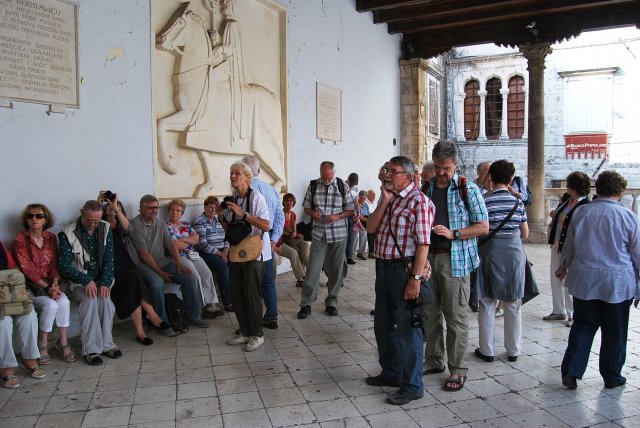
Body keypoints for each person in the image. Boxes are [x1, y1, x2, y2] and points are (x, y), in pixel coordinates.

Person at [557, 171, 639, 390]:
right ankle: (612, 375)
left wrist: (563, 266)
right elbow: (637, 253)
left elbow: (569, 245)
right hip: (617, 283)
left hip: (585, 280)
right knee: (615, 331)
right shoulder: (628, 216)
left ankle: (571, 370)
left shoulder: (581, 212)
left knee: (583, 325)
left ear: (598, 188)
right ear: (621, 191)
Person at [365, 156, 433, 405]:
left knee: (408, 328)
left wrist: (415, 280)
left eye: (393, 171)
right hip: (383, 270)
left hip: (404, 272)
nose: (387, 174)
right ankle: (391, 372)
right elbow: (370, 228)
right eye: (386, 170)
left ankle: (413, 385)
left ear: (408, 176)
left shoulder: (418, 202)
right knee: (382, 325)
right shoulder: (390, 199)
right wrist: (384, 200)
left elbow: (423, 244)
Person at [422, 140, 489, 392]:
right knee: (429, 313)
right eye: (438, 167)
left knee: (455, 317)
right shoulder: (426, 188)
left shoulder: (467, 189)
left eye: (446, 168)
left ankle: (458, 369)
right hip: (428, 259)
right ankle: (434, 359)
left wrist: (454, 234)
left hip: (455, 261)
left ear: (455, 165)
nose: (441, 173)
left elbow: (483, 226)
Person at [100, 192, 176, 344]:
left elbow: (130, 229)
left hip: (128, 265)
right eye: (109, 208)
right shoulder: (100, 227)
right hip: (111, 267)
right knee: (135, 280)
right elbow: (95, 220)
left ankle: (142, 330)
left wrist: (116, 209)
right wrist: (99, 201)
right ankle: (151, 316)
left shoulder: (124, 226)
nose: (113, 209)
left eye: (116, 208)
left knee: (133, 283)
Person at [473, 160, 529, 364]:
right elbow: (525, 233)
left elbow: (479, 230)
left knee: (487, 301)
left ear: (490, 177)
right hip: (514, 256)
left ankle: (487, 350)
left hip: (489, 254)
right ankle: (513, 350)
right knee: (513, 302)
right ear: (511, 179)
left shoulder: (483, 201)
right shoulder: (518, 203)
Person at [130, 195, 207, 329]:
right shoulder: (135, 225)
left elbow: (171, 244)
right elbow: (144, 254)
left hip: (163, 262)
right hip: (144, 265)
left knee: (189, 277)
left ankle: (194, 315)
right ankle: (163, 322)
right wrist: (161, 273)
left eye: (156, 208)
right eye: (150, 208)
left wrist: (178, 264)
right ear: (141, 208)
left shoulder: (160, 223)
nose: (154, 211)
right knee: (157, 284)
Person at [58, 200, 121, 366]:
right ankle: (91, 349)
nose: (93, 225)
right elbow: (64, 267)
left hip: (100, 280)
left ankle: (107, 344)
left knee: (106, 302)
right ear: (82, 213)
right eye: (90, 221)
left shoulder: (106, 228)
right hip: (77, 282)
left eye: (96, 221)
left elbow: (109, 260)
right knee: (90, 300)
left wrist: (105, 283)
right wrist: (86, 280)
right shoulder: (67, 234)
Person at [13, 203, 75, 364]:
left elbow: (54, 264)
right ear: (26, 220)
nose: (34, 219)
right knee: (51, 305)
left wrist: (54, 283)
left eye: (39, 216)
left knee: (64, 302)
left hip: (50, 284)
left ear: (45, 219)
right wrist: (47, 288)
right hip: (31, 286)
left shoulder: (50, 238)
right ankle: (42, 344)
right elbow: (27, 269)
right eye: (30, 216)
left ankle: (63, 342)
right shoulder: (21, 239)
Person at [220, 161, 271, 351]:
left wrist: (243, 214)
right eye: (231, 173)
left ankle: (257, 334)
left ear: (247, 177)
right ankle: (245, 331)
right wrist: (222, 216)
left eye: (237, 173)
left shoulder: (256, 197)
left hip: (254, 252)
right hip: (236, 251)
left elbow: (266, 225)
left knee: (251, 294)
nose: (232, 176)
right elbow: (231, 229)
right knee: (237, 294)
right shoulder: (233, 199)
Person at [298, 161, 355, 319]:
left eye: (329, 177)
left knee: (336, 270)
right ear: (320, 173)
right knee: (313, 269)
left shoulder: (343, 186)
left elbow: (351, 209)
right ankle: (306, 304)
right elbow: (306, 207)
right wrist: (313, 213)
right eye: (324, 177)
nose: (326, 180)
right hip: (319, 234)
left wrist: (338, 216)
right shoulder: (313, 185)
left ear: (334, 173)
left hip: (338, 234)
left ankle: (331, 302)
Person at [242, 155, 284, 330]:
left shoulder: (246, 191)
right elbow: (280, 217)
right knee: (267, 282)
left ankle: (253, 321)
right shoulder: (271, 189)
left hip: (249, 241)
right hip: (268, 241)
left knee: (250, 284)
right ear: (259, 170)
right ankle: (271, 317)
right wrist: (274, 239)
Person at [165, 198, 225, 319]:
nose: (175, 212)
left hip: (193, 254)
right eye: (173, 210)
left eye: (178, 211)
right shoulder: (166, 226)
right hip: (178, 256)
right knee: (195, 276)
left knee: (207, 274)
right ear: (169, 212)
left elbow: (196, 239)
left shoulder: (186, 225)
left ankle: (211, 305)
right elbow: (175, 245)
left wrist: (183, 240)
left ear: (182, 213)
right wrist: (188, 241)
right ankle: (200, 308)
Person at [545, 171, 591, 327]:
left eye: (569, 184)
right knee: (555, 277)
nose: (566, 187)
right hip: (557, 243)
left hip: (570, 247)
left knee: (568, 280)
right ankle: (558, 310)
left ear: (575, 187)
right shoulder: (567, 200)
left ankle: (572, 314)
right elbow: (561, 216)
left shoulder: (585, 205)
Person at [1, 240, 46, 388]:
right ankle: (5, 366)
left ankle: (29, 358)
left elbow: (14, 268)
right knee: (3, 323)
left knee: (28, 315)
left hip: (8, 295)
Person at [193, 196, 233, 311]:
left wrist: (226, 249)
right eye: (210, 207)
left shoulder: (217, 220)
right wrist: (220, 254)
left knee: (236, 264)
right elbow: (202, 244)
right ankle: (227, 303)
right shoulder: (200, 221)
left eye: (215, 207)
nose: (213, 210)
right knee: (223, 268)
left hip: (222, 251)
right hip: (207, 253)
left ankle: (237, 297)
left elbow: (226, 238)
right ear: (205, 207)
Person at [281, 193, 310, 274]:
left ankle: (308, 270)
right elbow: (279, 231)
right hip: (285, 240)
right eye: (287, 200)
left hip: (292, 239)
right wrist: (291, 234)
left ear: (293, 202)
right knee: (297, 250)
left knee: (305, 245)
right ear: (283, 202)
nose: (289, 202)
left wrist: (295, 233)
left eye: (291, 201)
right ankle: (303, 275)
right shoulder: (280, 213)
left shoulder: (293, 215)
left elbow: (294, 230)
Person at [345, 172, 359, 265]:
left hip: (351, 215)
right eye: (352, 183)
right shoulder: (342, 186)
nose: (352, 185)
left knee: (351, 235)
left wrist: (358, 214)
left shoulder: (355, 188)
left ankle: (348, 256)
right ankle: (342, 256)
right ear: (348, 179)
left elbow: (356, 201)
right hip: (343, 214)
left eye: (354, 184)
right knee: (343, 236)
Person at [353, 190, 369, 260]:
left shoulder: (366, 205)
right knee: (356, 234)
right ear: (358, 197)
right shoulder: (355, 204)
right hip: (355, 224)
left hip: (363, 224)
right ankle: (352, 253)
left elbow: (368, 215)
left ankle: (361, 253)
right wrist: (366, 220)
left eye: (364, 198)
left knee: (364, 233)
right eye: (361, 198)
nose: (362, 200)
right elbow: (357, 217)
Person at [365, 189, 377, 258]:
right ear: (368, 195)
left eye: (374, 194)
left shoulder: (375, 202)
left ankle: (377, 250)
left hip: (375, 221)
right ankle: (371, 252)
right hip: (367, 220)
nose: (374, 196)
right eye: (373, 194)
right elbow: (365, 214)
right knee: (371, 232)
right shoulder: (365, 203)